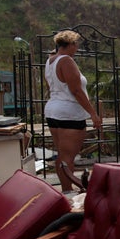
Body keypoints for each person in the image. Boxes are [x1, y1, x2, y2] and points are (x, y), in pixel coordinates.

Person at [44, 30, 102, 194]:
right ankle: (68, 193)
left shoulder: (50, 61)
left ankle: (65, 190)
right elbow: (76, 91)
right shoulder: (67, 61)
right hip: (69, 112)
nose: (77, 48)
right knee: (68, 157)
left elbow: (51, 87)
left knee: (62, 155)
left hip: (53, 110)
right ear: (70, 44)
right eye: (76, 44)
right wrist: (93, 114)